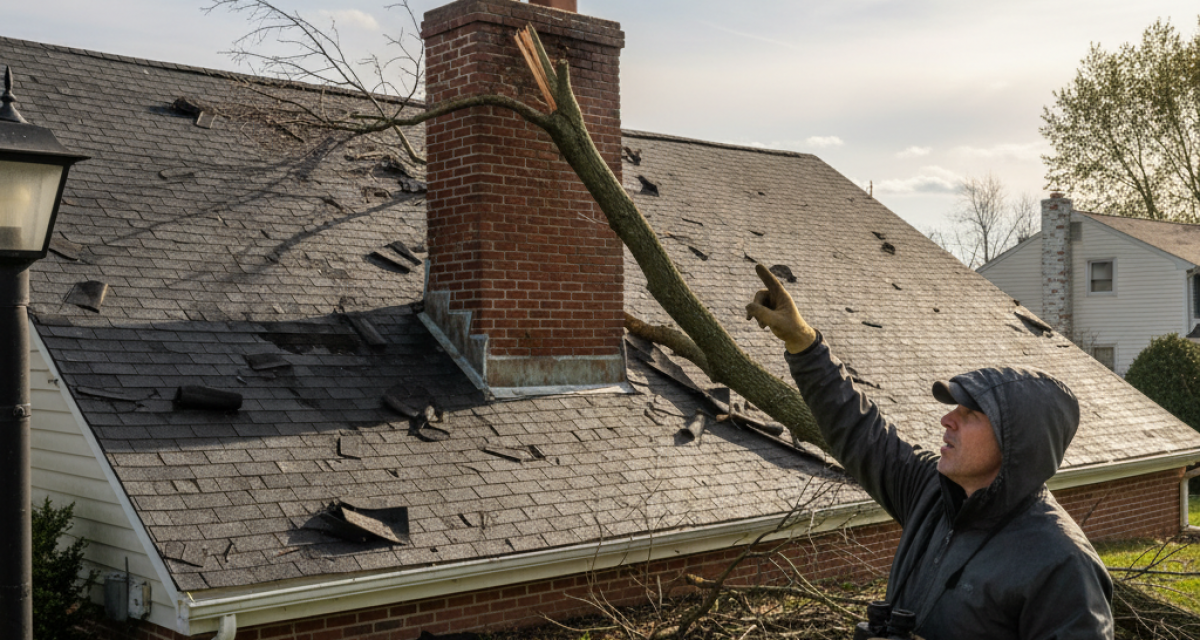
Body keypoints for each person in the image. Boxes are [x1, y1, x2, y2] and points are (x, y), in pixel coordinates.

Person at [744, 264, 1113, 639]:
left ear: (1015, 441)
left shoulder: (1062, 564)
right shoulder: (931, 493)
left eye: (969, 415)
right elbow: (859, 430)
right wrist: (803, 343)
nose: (947, 420)